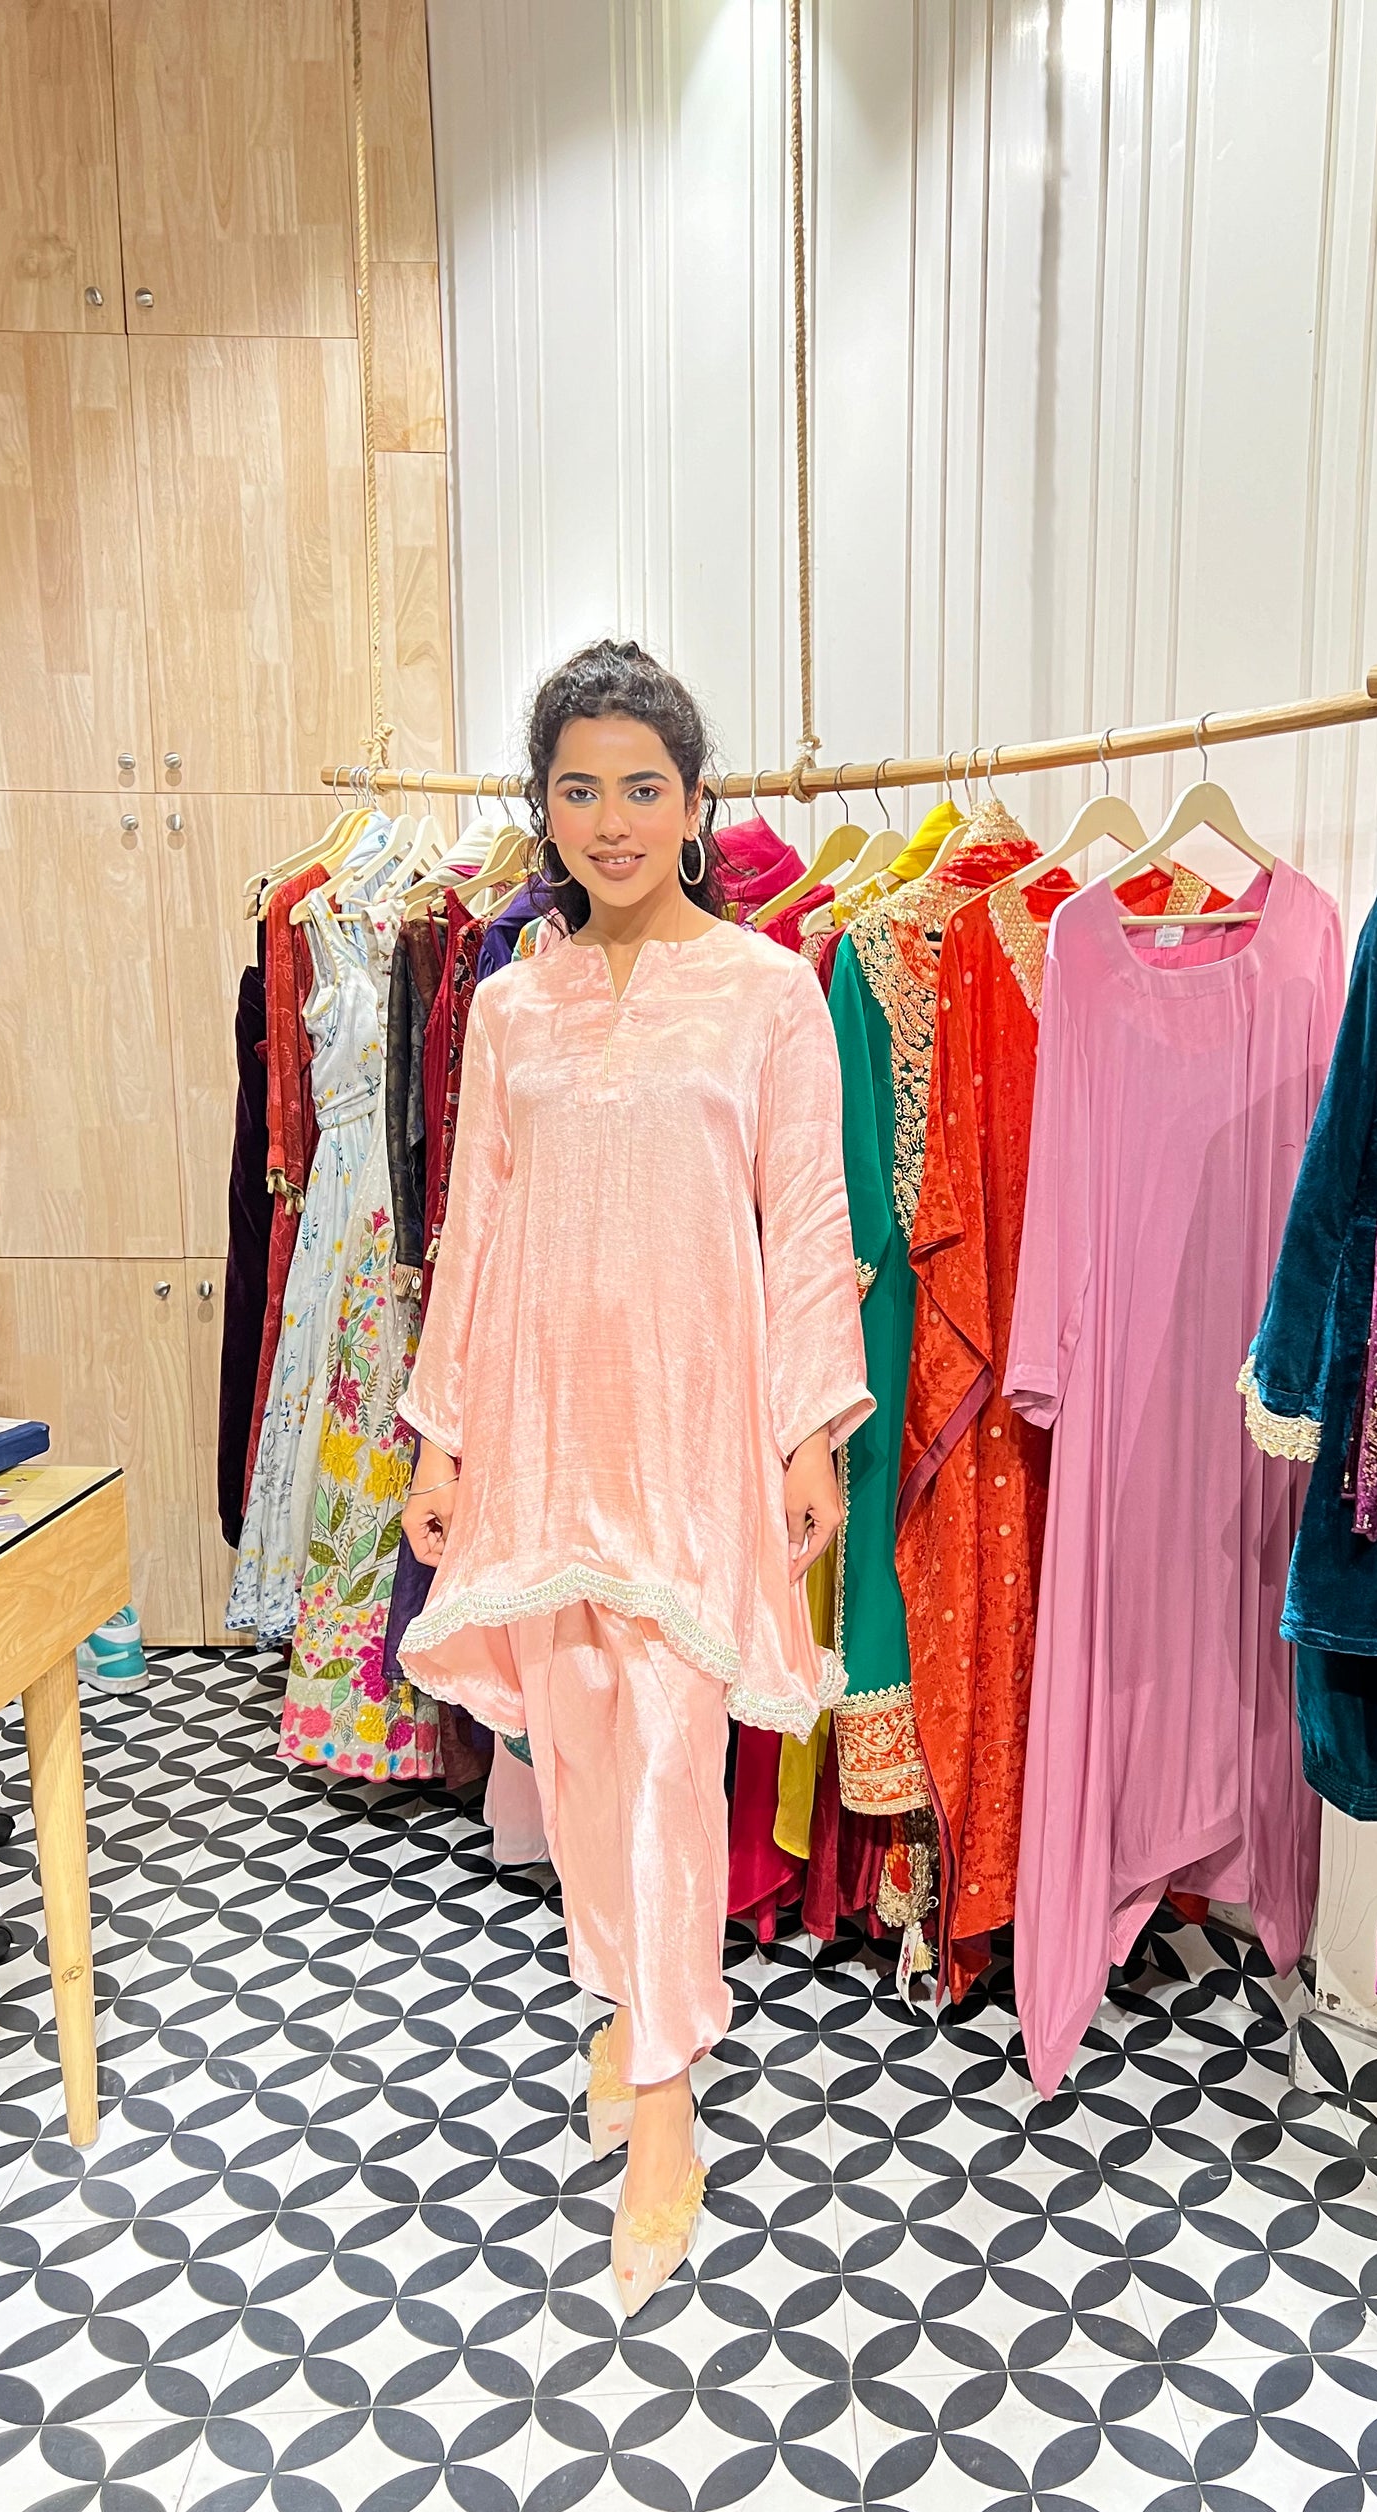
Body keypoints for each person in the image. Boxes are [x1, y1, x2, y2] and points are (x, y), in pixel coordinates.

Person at [396, 640, 872, 2313]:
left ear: (692, 801)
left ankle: (664, 2104)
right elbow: (473, 1228)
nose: (610, 820)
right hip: (541, 1432)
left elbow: (808, 1221)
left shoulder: (767, 993)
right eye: (578, 788)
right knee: (580, 1756)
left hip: (690, 1433)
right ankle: (625, 2002)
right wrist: (441, 1434)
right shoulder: (508, 1005)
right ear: (543, 807)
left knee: (673, 1757)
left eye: (641, 788)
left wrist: (807, 1431)